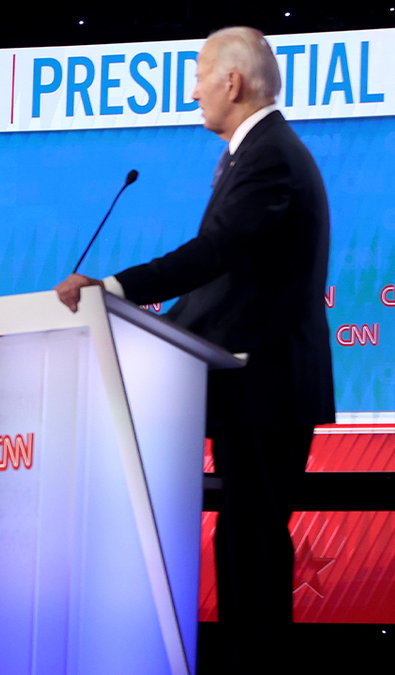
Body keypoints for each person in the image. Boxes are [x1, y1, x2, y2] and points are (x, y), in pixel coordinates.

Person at [55, 27, 333, 672]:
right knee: (241, 543)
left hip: (266, 384)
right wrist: (150, 321)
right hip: (249, 384)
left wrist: (117, 288)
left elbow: (214, 255)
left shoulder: (268, 155)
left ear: (232, 82)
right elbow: (231, 280)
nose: (195, 90)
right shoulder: (255, 152)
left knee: (254, 544)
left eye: (201, 76)